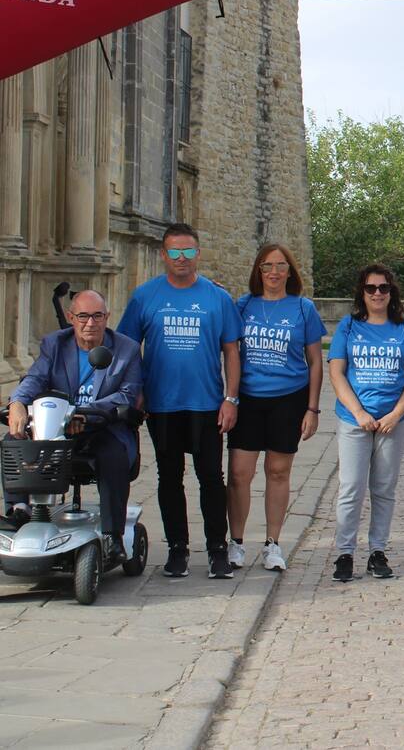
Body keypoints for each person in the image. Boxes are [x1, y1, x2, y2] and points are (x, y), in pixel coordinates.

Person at [118, 223, 241, 579]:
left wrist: (231, 398)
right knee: (169, 478)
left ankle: (217, 549)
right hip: (162, 404)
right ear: (163, 255)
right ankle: (177, 549)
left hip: (205, 403)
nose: (182, 259)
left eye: (188, 251)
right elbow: (127, 348)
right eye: (174, 252)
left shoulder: (217, 298)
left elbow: (232, 351)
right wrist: (136, 389)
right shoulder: (145, 296)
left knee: (211, 478)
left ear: (198, 253)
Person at [7, 290, 142, 563]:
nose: (90, 323)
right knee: (13, 440)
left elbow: (126, 394)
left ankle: (113, 534)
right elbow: (36, 377)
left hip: (103, 428)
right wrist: (18, 402)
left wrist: (86, 415)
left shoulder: (125, 349)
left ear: (107, 317)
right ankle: (18, 509)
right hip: (57, 427)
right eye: (83, 316)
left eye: (97, 316)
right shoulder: (55, 344)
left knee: (112, 455)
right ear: (71, 317)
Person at [226, 244, 326, 573]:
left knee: (278, 472)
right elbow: (230, 352)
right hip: (249, 398)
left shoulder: (303, 308)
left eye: (281, 266)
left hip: (289, 398)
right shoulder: (244, 306)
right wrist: (229, 397)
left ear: (289, 272)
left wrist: (312, 408)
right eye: (267, 265)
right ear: (258, 270)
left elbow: (315, 361)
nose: (274, 272)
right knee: (240, 473)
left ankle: (272, 544)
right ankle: (236, 542)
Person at [327, 265, 404, 582]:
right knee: (351, 487)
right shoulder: (349, 326)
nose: (378, 293)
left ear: (392, 292)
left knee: (383, 489)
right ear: (362, 292)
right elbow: (337, 372)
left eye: (384, 288)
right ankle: (345, 552)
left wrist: (396, 414)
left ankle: (377, 551)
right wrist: (358, 412)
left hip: (392, 421)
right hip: (355, 419)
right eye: (371, 288)